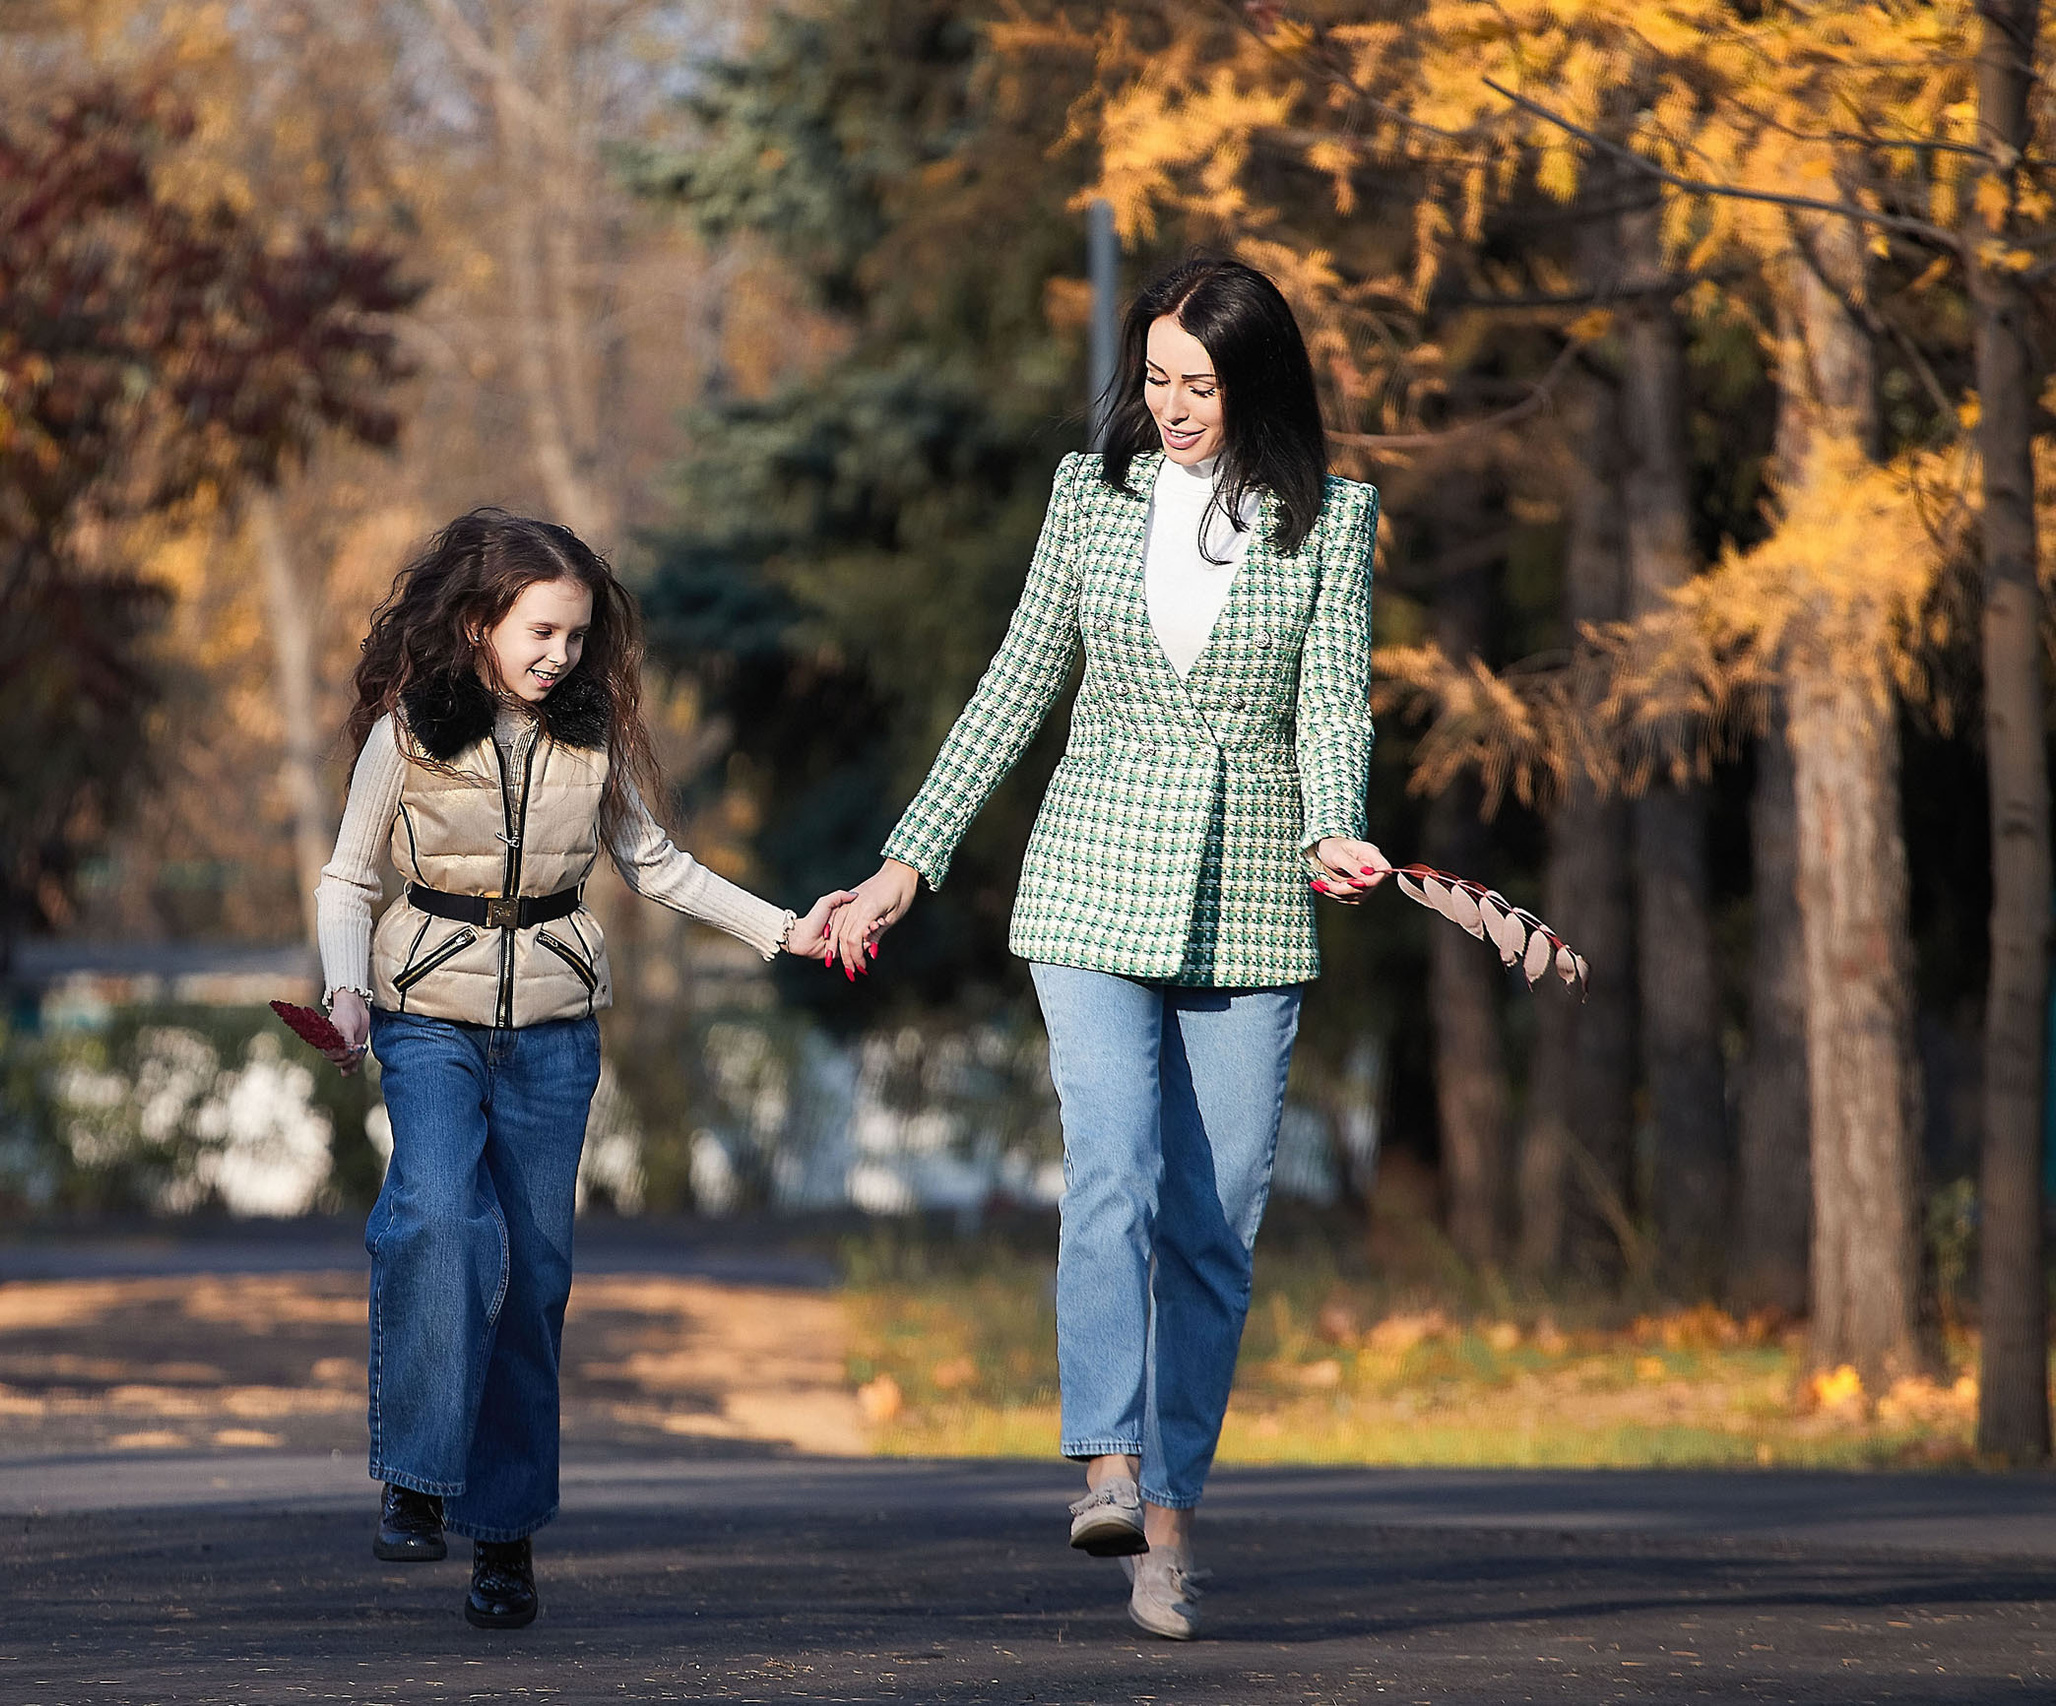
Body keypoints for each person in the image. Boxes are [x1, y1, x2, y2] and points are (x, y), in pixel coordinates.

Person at [826, 252, 1389, 1640]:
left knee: (1216, 1225)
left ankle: (1173, 1522)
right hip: (1090, 880)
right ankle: (1106, 1463)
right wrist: (914, 855)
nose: (1175, 406)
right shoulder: (1091, 498)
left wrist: (1340, 825)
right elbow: (1017, 681)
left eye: (1200, 383)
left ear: (1256, 382)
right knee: (1116, 1168)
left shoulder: (1335, 521)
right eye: (1156, 380)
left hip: (1254, 894)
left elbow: (1333, 706)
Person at [311, 509, 849, 1630]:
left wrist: (782, 928)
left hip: (555, 1031)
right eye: (541, 632)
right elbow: (348, 879)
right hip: (425, 1014)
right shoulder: (409, 732)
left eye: (577, 636)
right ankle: (415, 1473)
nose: (561, 654)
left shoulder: (591, 737)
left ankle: (502, 1539)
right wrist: (344, 986)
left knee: (537, 1280)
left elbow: (658, 865)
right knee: (437, 1216)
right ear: (478, 624)